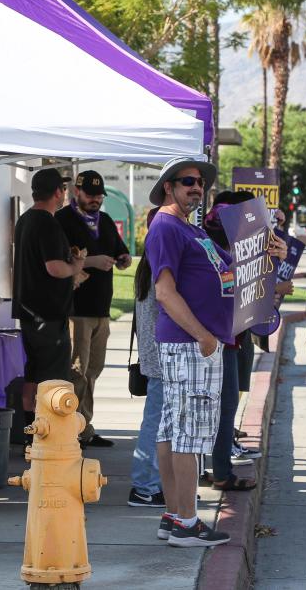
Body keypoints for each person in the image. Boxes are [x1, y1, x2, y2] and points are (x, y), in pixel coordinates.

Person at [145, 156, 233, 548]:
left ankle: (174, 515)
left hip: (193, 344)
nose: (196, 187)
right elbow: (165, 292)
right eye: (187, 182)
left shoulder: (188, 228)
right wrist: (204, 337)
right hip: (190, 344)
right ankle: (186, 522)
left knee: (173, 428)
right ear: (169, 186)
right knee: (188, 433)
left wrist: (272, 255)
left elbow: (228, 271)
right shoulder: (165, 226)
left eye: (200, 182)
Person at [200, 191, 286, 491]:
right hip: (215, 334)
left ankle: (212, 468)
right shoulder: (221, 233)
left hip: (226, 333)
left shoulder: (222, 232)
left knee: (217, 406)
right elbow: (228, 279)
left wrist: (276, 252)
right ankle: (221, 472)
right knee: (222, 407)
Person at [55, 170, 132, 448]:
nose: (96, 200)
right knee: (77, 370)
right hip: (76, 309)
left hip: (102, 309)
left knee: (93, 371)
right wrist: (92, 261)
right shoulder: (63, 220)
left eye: (99, 195)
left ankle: (84, 427)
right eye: (90, 195)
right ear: (77, 192)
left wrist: (123, 258)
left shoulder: (106, 221)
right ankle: (72, 430)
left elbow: (121, 251)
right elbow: (58, 261)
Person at [12, 168, 86, 440]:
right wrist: (75, 266)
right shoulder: (47, 223)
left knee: (33, 376)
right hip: (49, 314)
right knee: (54, 379)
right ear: (57, 192)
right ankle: (49, 437)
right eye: (63, 189)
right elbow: (54, 268)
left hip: (31, 311)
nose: (64, 194)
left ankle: (30, 431)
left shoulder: (26, 220)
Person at [128, 207, 165, 507]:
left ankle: (152, 482)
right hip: (160, 356)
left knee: (158, 421)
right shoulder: (157, 263)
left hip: (154, 354)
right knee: (155, 422)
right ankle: (144, 486)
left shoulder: (147, 263)